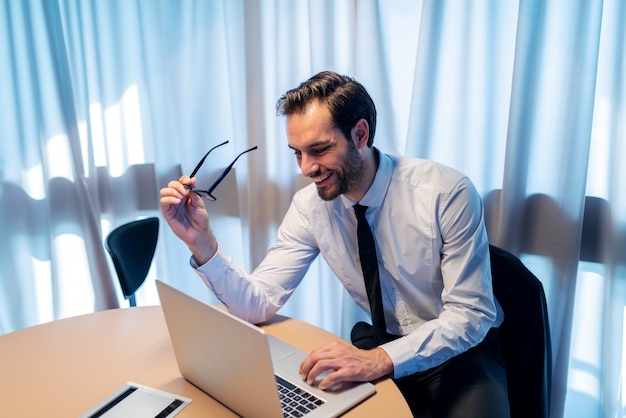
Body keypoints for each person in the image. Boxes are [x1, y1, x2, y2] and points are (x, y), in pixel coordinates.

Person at [160, 71, 510, 417]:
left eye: (319, 150)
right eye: (297, 153)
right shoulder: (309, 207)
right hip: (380, 342)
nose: (307, 168)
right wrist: (203, 243)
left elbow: (469, 314)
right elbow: (258, 304)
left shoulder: (446, 193)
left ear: (360, 133)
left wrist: (380, 360)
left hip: (460, 353)